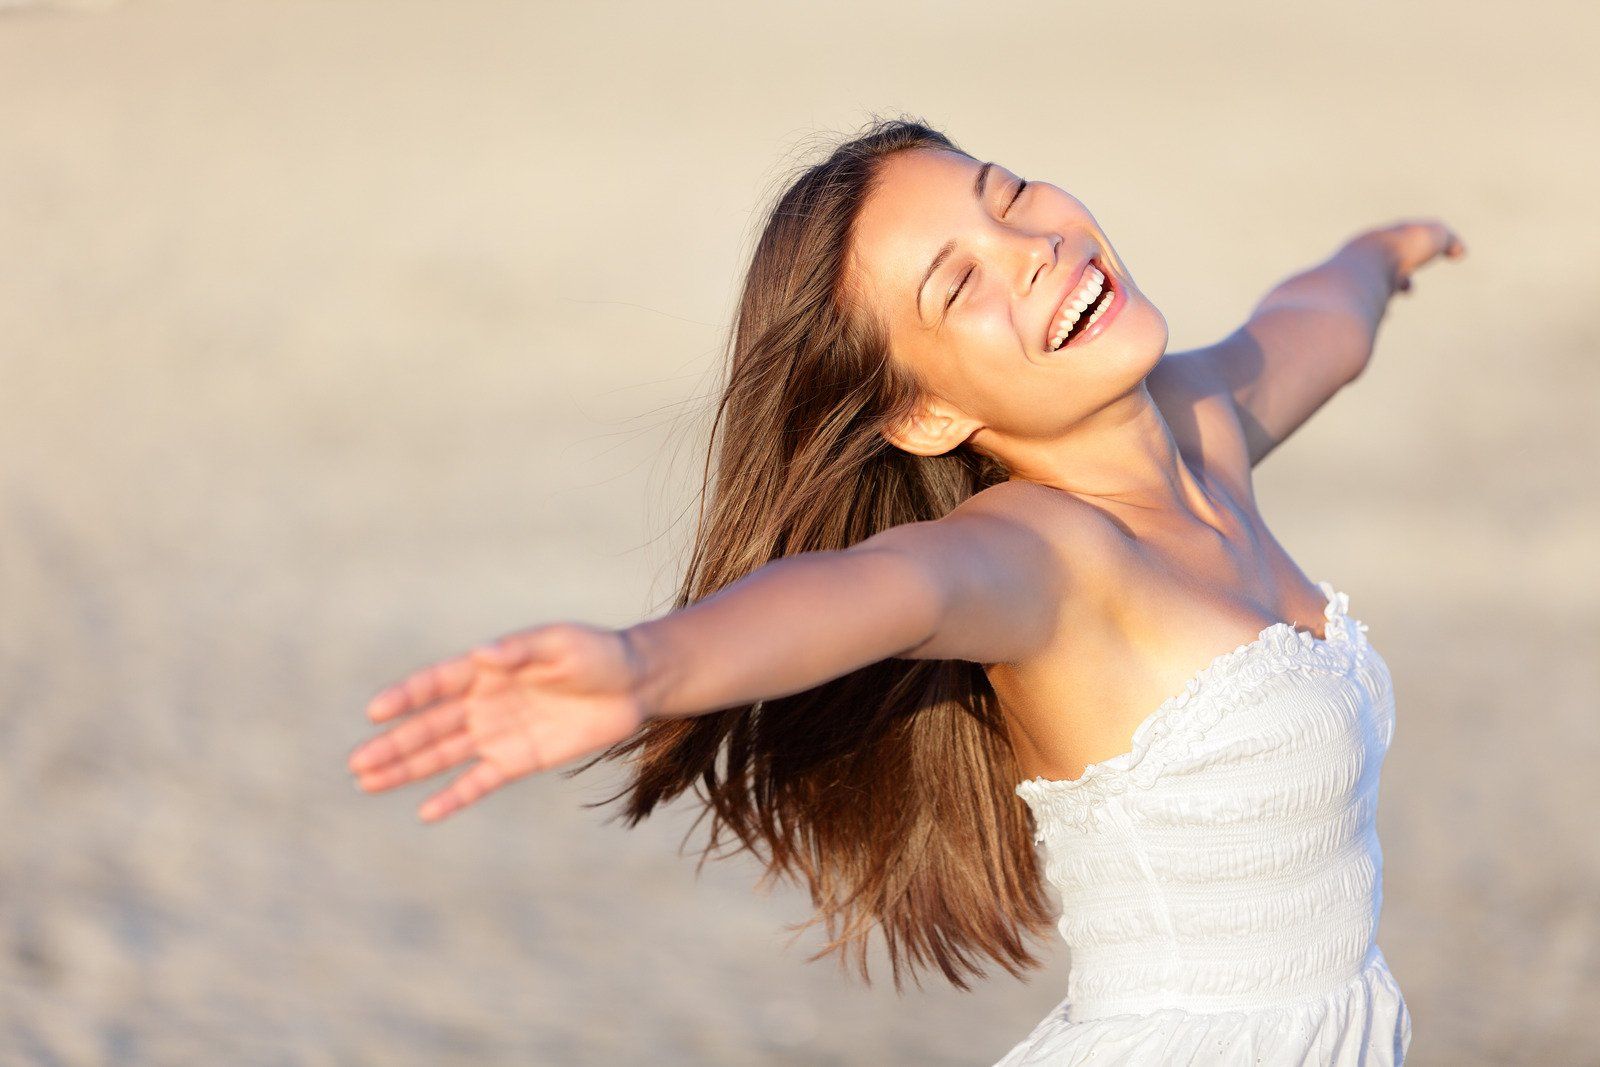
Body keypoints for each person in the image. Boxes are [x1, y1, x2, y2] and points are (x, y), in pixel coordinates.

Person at [345, 116, 1464, 1064]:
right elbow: (873, 586)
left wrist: (1384, 249)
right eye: (959, 279)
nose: (1030, 244)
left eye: (1008, 194)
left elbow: (1319, 324)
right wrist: (649, 664)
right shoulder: (1037, 557)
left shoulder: (1206, 419)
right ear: (926, 414)